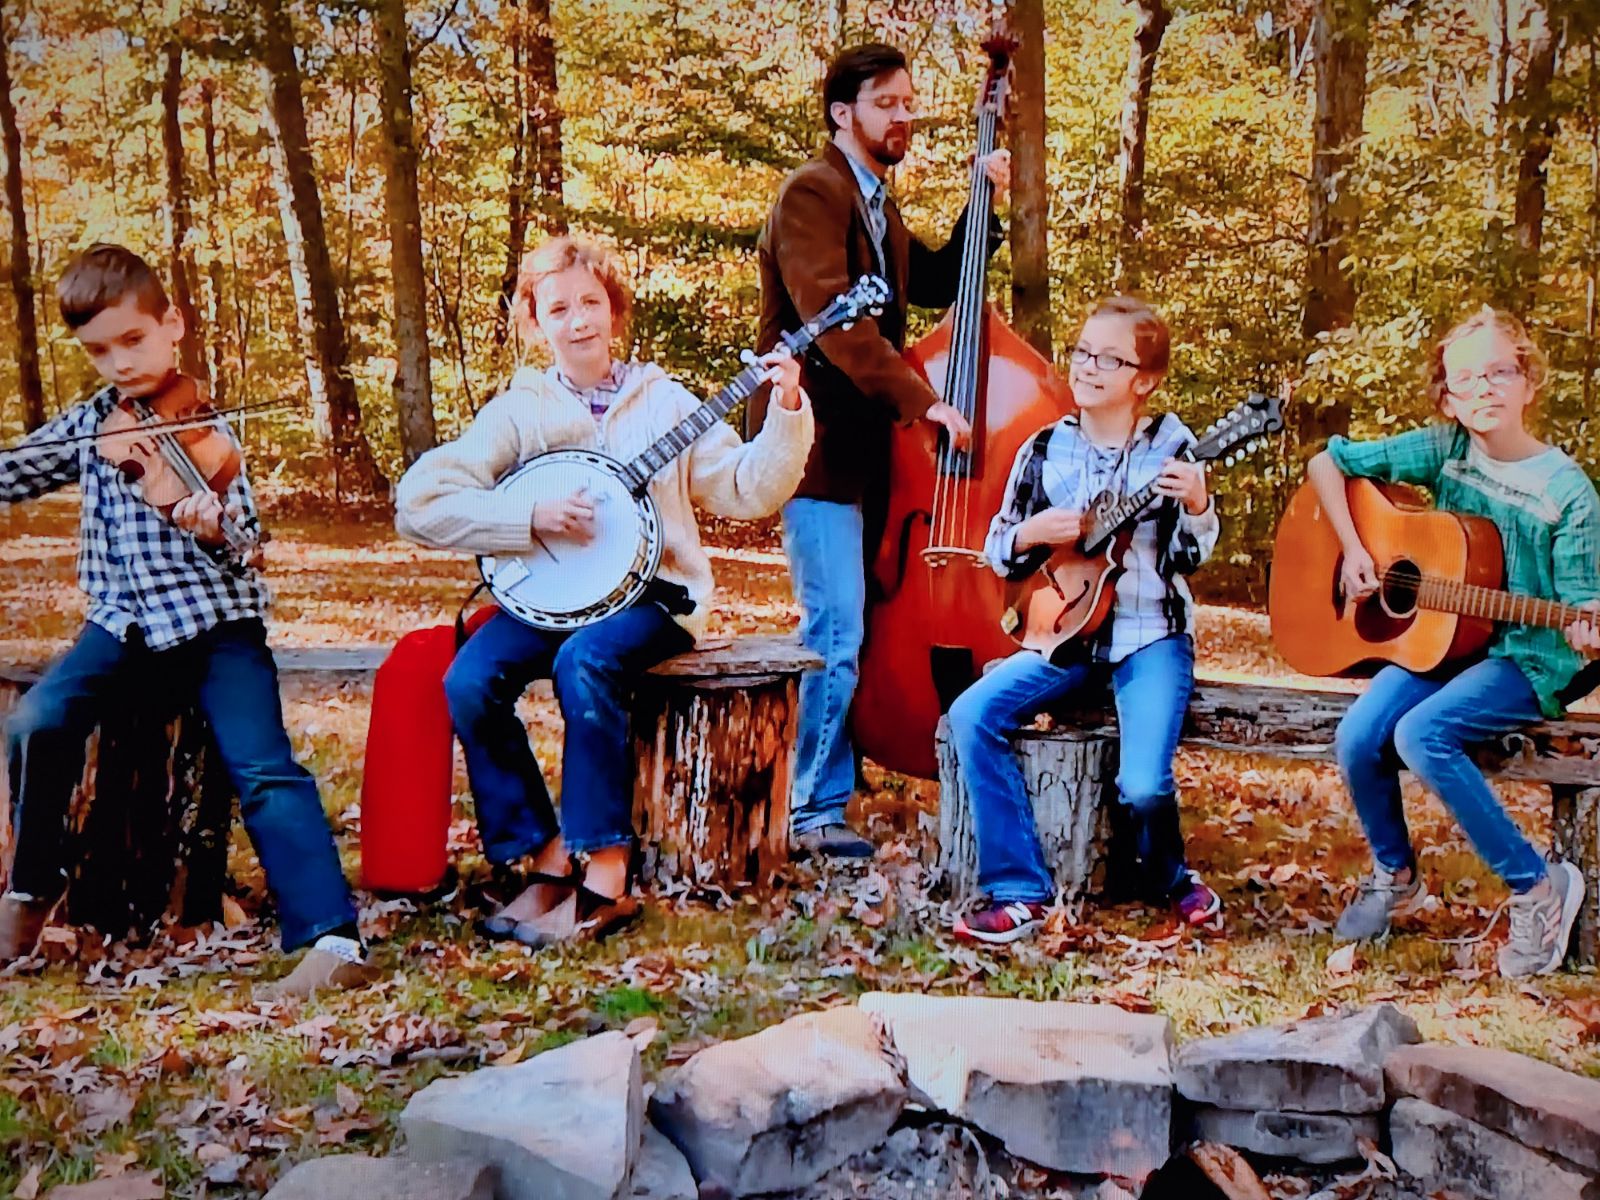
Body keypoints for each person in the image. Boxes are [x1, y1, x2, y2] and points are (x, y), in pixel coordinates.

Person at [394, 234, 813, 946]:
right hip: (554, 597)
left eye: (591, 302)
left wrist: (788, 406)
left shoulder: (665, 403)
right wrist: (525, 518)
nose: (578, 319)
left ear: (614, 311)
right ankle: (548, 856)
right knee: (468, 678)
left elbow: (747, 490)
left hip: (657, 598)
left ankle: (607, 875)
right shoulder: (521, 411)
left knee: (583, 661)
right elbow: (420, 503)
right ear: (535, 321)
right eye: (559, 307)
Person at [0, 243, 374, 996]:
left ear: (172, 326)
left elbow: (245, 546)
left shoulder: (205, 434)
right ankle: (30, 891)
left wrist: (211, 527)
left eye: (133, 340)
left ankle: (332, 939)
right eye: (99, 350)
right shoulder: (94, 423)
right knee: (36, 721)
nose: (119, 363)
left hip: (215, 628)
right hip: (121, 627)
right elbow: (13, 472)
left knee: (264, 766)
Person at [753, 41, 1009, 858]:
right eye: (887, 103)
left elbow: (933, 282)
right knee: (834, 628)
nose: (905, 116)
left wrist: (983, 199)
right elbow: (834, 324)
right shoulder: (812, 194)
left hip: (876, 459)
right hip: (817, 445)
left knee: (856, 622)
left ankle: (836, 773)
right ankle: (811, 809)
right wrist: (924, 401)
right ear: (843, 113)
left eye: (909, 103)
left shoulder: (878, 204)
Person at [1310, 307, 1595, 977]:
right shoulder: (1447, 449)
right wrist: (1355, 551)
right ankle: (1397, 874)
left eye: (1501, 372)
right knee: (1358, 735)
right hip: (1446, 641)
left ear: (1530, 383)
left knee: (1421, 734)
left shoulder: (1570, 495)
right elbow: (1329, 462)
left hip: (1528, 657)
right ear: (1447, 398)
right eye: (1466, 380)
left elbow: (1584, 614)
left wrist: (1586, 632)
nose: (1485, 390)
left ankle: (1537, 888)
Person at [945, 296, 1223, 945]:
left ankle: (1171, 878)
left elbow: (1186, 556)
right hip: (1064, 632)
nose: (1089, 368)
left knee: (1144, 785)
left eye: (1110, 358)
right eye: (1082, 353)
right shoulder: (1044, 448)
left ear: (1145, 380)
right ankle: (1020, 891)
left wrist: (1201, 505)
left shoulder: (1172, 446)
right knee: (970, 715)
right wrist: (1027, 535)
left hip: (1148, 634)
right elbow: (997, 548)